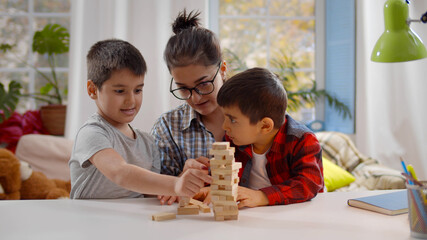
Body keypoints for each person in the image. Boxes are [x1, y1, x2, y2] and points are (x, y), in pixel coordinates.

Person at [69, 39, 211, 199]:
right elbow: (119, 172)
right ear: (92, 90)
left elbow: (152, 193)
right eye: (120, 91)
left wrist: (183, 177)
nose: (131, 100)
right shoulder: (92, 133)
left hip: (133, 222)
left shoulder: (148, 142)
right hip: (89, 221)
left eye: (137, 90)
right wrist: (175, 184)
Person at [215, 67, 324, 208]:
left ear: (265, 126)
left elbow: (308, 183)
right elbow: (221, 173)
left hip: (296, 214)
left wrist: (261, 196)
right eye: (224, 117)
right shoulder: (233, 138)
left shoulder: (302, 140)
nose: (224, 126)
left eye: (233, 120)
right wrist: (211, 185)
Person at [150, 10, 226, 204]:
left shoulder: (255, 114)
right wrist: (178, 181)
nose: (196, 97)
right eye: (183, 89)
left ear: (222, 70)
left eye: (203, 84)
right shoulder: (167, 127)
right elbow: (152, 193)